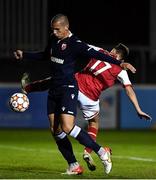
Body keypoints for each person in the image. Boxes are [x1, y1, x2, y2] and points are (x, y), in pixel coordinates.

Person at [14, 14, 136, 175]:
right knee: (55, 130)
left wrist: (120, 63)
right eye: (53, 29)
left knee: (67, 126)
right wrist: (25, 55)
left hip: (68, 87)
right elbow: (45, 55)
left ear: (66, 27)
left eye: (57, 29)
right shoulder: (53, 39)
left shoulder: (75, 44)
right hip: (54, 89)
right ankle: (73, 165)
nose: (55, 32)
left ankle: (101, 152)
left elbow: (98, 54)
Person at [20, 43, 152, 172]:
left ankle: (28, 88)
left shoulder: (99, 50)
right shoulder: (121, 70)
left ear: (113, 50)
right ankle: (88, 152)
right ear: (121, 58)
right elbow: (129, 90)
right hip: (90, 98)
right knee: (93, 122)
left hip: (74, 85)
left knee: (55, 81)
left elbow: (80, 45)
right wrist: (138, 109)